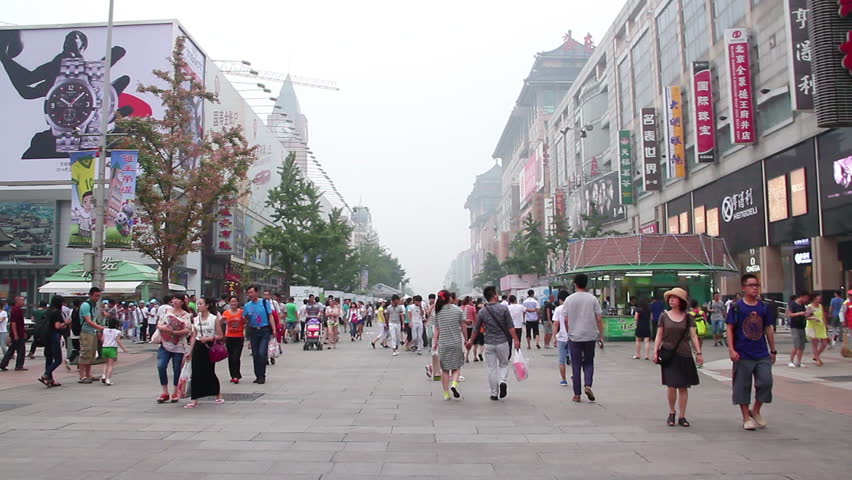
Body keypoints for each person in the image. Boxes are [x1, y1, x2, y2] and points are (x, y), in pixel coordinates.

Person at [727, 273, 777, 431]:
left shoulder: (764, 307)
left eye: (757, 285)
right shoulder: (736, 307)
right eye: (751, 285)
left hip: (761, 352)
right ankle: (746, 417)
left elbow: (768, 328)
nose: (755, 288)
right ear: (743, 288)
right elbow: (729, 328)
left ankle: (756, 410)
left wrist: (773, 349)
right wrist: (731, 349)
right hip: (742, 353)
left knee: (766, 382)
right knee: (742, 385)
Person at [653, 288, 702, 427]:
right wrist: (655, 351)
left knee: (683, 387)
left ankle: (682, 415)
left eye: (675, 297)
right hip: (669, 354)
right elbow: (659, 335)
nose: (671, 300)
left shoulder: (688, 317)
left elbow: (693, 336)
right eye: (670, 298)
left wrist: (698, 352)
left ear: (681, 301)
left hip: (685, 354)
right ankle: (672, 411)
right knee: (671, 385)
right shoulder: (664, 316)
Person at [467, 286, 520, 401]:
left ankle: (494, 393)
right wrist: (516, 340)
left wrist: (471, 341)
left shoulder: (482, 311)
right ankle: (502, 382)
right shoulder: (504, 309)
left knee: (491, 368)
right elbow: (511, 327)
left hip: (489, 343)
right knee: (503, 364)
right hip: (502, 342)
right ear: (495, 296)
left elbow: (476, 329)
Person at [563, 274, 604, 403]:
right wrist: (601, 335)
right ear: (586, 284)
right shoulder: (592, 299)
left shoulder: (569, 299)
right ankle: (587, 385)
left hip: (574, 336)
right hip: (590, 335)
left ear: (575, 284)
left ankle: (577, 395)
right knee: (588, 362)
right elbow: (599, 319)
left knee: (576, 364)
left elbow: (565, 319)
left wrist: (569, 330)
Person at [185, 297, 225, 408]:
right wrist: (190, 351)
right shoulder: (196, 319)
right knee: (196, 372)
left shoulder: (213, 318)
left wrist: (208, 339)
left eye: (200, 304)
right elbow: (193, 336)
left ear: (207, 305)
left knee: (209, 371)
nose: (198, 306)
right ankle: (194, 399)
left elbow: (220, 335)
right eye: (197, 304)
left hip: (209, 347)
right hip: (198, 346)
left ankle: (217, 393)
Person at [432, 289, 468, 400]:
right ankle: (454, 384)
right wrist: (466, 339)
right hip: (456, 343)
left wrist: (434, 343)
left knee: (445, 370)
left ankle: (446, 393)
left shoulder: (437, 312)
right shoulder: (458, 310)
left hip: (443, 343)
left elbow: (436, 330)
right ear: (450, 298)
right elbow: (463, 326)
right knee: (456, 367)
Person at [156, 294, 192, 403]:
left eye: (178, 299)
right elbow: (159, 324)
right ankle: (165, 391)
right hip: (165, 343)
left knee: (177, 369)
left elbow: (188, 330)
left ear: (182, 302)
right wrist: (164, 328)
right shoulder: (167, 311)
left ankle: (175, 391)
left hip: (179, 345)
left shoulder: (186, 315)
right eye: (174, 299)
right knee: (161, 366)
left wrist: (175, 332)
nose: (175, 301)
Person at [243, 285, 276, 384]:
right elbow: (246, 319)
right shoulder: (247, 306)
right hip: (253, 331)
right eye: (248, 293)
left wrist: (274, 330)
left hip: (264, 330)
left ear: (257, 293)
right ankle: (257, 375)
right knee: (255, 354)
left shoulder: (264, 303)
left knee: (262, 353)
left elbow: (270, 316)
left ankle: (262, 376)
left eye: (252, 292)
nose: (250, 295)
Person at [38, 295, 69, 387]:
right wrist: (66, 323)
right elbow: (57, 326)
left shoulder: (48, 311)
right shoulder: (57, 312)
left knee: (49, 357)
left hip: (45, 336)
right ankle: (46, 374)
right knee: (58, 359)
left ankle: (50, 380)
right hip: (54, 336)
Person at [76, 288, 105, 382]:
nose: (97, 298)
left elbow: (94, 319)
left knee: (91, 354)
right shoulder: (86, 305)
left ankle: (88, 374)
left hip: (92, 332)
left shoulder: (93, 305)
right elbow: (88, 320)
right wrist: (101, 328)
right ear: (90, 295)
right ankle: (82, 376)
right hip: (86, 332)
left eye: (98, 296)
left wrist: (98, 331)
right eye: (96, 296)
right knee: (85, 353)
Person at [222, 296, 245, 384]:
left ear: (238, 303)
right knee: (230, 357)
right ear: (229, 303)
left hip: (239, 337)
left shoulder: (242, 312)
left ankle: (236, 375)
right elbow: (222, 324)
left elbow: (246, 322)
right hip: (229, 337)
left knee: (236, 357)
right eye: (231, 302)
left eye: (235, 301)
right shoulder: (226, 313)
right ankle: (233, 375)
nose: (233, 303)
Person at [0, 296, 27, 371]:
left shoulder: (18, 310)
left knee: (12, 349)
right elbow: (13, 323)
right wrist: (15, 334)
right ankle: (18, 365)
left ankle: (3, 364)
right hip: (17, 333)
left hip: (20, 332)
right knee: (20, 350)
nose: (23, 302)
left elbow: (21, 323)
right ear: (17, 301)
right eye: (22, 300)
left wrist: (24, 331)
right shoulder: (15, 309)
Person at [100, 318, 129, 386]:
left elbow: (102, 339)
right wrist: (124, 349)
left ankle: (103, 375)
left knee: (106, 363)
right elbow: (118, 341)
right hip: (112, 348)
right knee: (111, 365)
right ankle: (108, 379)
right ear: (117, 324)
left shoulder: (105, 330)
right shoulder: (117, 332)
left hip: (104, 348)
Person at [552, 290, 570, 386]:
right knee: (574, 359)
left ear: (560, 299)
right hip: (572, 337)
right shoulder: (572, 307)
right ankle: (574, 375)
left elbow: (555, 324)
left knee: (561, 360)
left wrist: (554, 337)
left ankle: (564, 380)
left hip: (562, 337)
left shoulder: (558, 309)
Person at [786, 292, 809, 368]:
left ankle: (799, 362)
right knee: (796, 344)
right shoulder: (793, 304)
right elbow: (789, 314)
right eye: (806, 298)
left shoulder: (802, 305)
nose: (806, 300)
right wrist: (799, 313)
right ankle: (791, 361)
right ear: (802, 296)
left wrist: (809, 315)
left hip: (802, 326)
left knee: (802, 346)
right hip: (794, 326)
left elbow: (805, 315)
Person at [806, 293, 830, 366]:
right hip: (812, 326)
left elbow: (823, 316)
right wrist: (813, 318)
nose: (819, 299)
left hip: (820, 326)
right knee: (815, 343)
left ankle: (816, 355)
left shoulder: (820, 306)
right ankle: (817, 359)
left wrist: (826, 326)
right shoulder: (809, 306)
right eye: (818, 298)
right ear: (814, 298)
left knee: (824, 343)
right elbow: (806, 317)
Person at [461, 297, 479, 363]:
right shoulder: (472, 308)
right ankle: (475, 356)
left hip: (464, 327)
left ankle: (466, 356)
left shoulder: (461, 308)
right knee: (475, 343)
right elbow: (476, 318)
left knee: (466, 341)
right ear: (469, 301)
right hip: (472, 327)